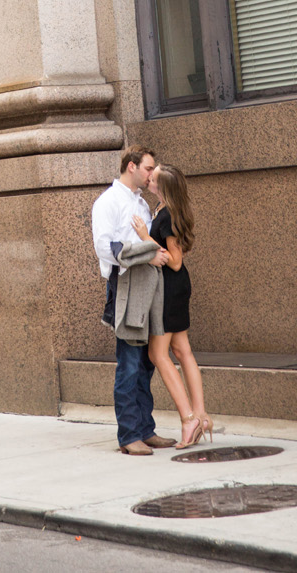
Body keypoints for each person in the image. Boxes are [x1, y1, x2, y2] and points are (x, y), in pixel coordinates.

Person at [92, 146, 171, 456]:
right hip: (124, 285)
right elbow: (105, 246)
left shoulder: (140, 202)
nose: (152, 174)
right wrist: (147, 256)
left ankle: (145, 429)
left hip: (149, 288)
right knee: (128, 363)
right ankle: (128, 435)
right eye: (148, 168)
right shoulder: (108, 202)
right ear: (131, 166)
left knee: (146, 364)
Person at [132, 163, 211, 450]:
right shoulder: (166, 210)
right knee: (182, 350)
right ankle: (200, 415)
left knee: (158, 353)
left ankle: (189, 418)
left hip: (170, 289)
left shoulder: (167, 215)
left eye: (154, 176)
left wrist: (145, 238)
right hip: (172, 288)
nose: (149, 176)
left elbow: (175, 261)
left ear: (161, 187)